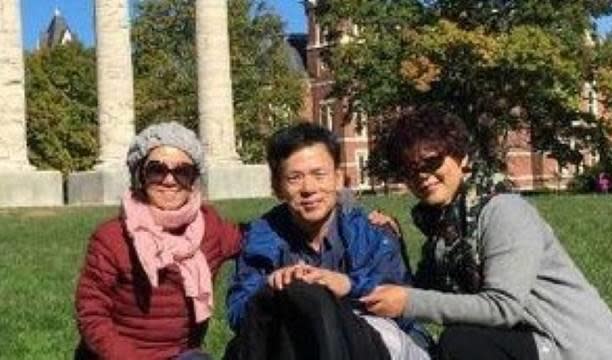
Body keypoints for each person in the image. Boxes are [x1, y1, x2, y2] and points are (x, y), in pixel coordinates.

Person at [359, 107, 612, 360]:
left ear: (461, 156)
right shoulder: (445, 228)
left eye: (431, 162)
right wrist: (394, 242)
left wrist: (407, 302)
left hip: (576, 347)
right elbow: (425, 293)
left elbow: (502, 307)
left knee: (461, 344)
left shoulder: (504, 211)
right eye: (409, 170)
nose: (422, 176)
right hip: (528, 340)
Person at [224, 123, 431, 360]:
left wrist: (345, 285)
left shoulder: (373, 232)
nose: (309, 188)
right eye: (294, 178)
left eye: (319, 174)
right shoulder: (261, 238)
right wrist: (270, 290)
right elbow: (238, 315)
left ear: (338, 179)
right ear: (278, 187)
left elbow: (401, 308)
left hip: (371, 343)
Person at [74, 122, 242, 359]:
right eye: (157, 170)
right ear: (140, 174)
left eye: (182, 171)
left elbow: (256, 237)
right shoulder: (111, 238)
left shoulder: (211, 229)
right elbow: (92, 314)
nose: (169, 181)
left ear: (194, 179)